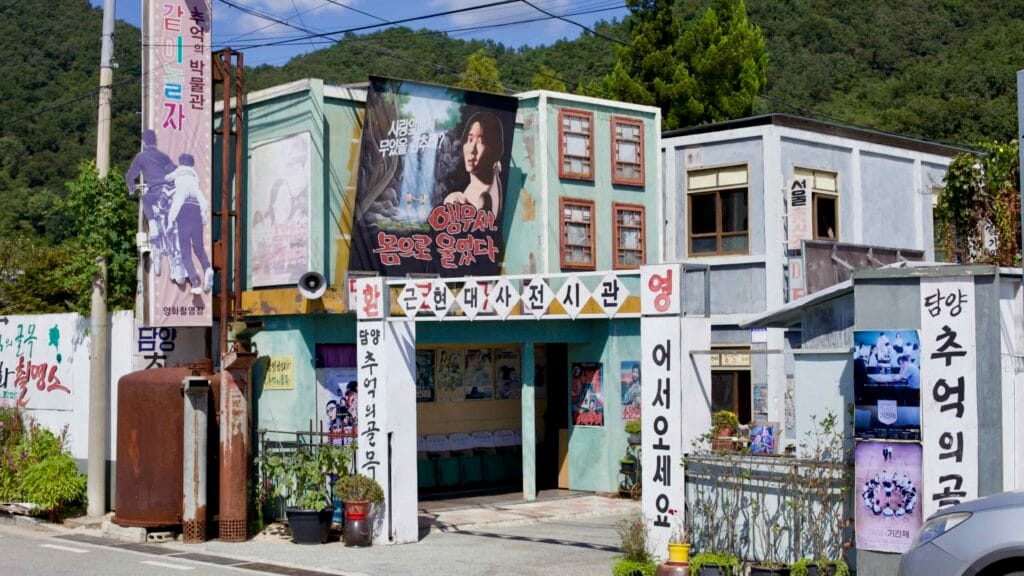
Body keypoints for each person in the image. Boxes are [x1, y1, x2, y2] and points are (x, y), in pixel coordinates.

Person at [125, 129, 176, 276]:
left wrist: (131, 187)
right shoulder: (163, 156)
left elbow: (130, 175)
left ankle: (153, 225)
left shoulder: (141, 157)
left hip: (154, 191)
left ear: (144, 142)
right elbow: (173, 170)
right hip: (168, 191)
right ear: (156, 141)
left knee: (145, 199)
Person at [165, 153, 213, 295]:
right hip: (196, 211)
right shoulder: (194, 178)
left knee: (185, 251)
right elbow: (203, 201)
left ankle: (195, 283)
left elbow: (177, 200)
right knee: (198, 247)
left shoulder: (178, 174)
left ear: (181, 163)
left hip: (183, 213)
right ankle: (207, 268)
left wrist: (170, 221)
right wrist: (203, 216)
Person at [443, 111, 505, 220]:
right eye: (469, 139)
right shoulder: (494, 176)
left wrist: (454, 210)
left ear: (493, 147)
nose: (472, 149)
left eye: (481, 142)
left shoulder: (483, 198)